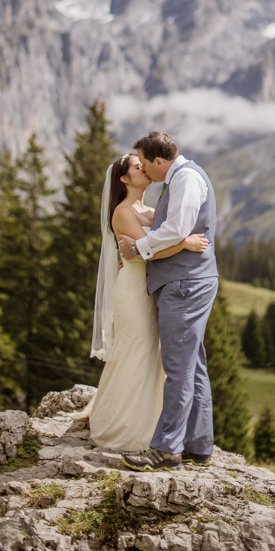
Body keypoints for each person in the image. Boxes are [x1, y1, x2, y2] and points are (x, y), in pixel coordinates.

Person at [88, 152, 208, 453]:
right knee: (134, 350)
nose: (143, 169)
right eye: (136, 167)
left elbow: (148, 245)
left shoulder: (151, 210)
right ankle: (120, 426)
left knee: (152, 356)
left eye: (143, 165)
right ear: (124, 179)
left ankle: (147, 424)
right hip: (133, 293)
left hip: (152, 290)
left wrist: (160, 244)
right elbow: (147, 253)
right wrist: (185, 243)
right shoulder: (122, 212)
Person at [117, 132, 218, 472]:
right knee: (192, 364)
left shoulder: (186, 179)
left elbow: (176, 230)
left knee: (178, 369)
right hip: (187, 282)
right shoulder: (179, 179)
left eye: (145, 164)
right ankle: (198, 446)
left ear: (159, 161)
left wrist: (138, 248)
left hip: (185, 284)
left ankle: (166, 449)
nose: (145, 170)